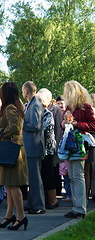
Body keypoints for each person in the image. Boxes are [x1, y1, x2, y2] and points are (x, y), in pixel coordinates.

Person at [0, 82, 28, 230]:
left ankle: (21, 217)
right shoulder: (15, 107)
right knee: (9, 185)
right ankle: (9, 215)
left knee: (13, 185)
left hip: (11, 148)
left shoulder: (10, 108)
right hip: (12, 148)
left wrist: (0, 132)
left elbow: (14, 127)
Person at [62, 81, 95, 218]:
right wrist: (63, 122)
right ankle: (76, 206)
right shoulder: (69, 108)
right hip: (70, 143)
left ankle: (80, 208)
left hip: (80, 144)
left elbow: (93, 124)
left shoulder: (86, 108)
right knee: (72, 175)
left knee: (78, 175)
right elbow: (64, 123)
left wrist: (77, 124)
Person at [22, 81, 46, 214]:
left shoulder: (36, 105)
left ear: (26, 91)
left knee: (35, 177)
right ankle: (32, 203)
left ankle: (39, 205)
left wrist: (21, 124)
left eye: (23, 90)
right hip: (30, 146)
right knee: (31, 176)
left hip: (34, 145)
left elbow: (35, 126)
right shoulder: (31, 104)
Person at [36, 88, 58, 209]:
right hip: (39, 148)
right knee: (42, 174)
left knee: (48, 174)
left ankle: (53, 200)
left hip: (48, 149)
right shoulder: (38, 113)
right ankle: (43, 198)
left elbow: (45, 130)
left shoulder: (48, 114)